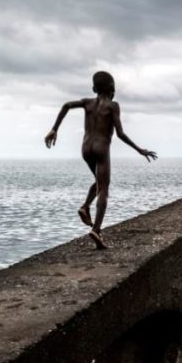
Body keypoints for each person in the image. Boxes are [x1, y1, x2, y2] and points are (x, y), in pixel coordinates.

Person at [44, 71, 157, 249]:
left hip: (85, 148)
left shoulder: (87, 103)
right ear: (112, 90)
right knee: (104, 188)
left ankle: (85, 207)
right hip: (101, 148)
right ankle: (96, 230)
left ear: (94, 88)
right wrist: (139, 150)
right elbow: (120, 134)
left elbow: (66, 105)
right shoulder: (113, 106)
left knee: (98, 181)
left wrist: (54, 129)